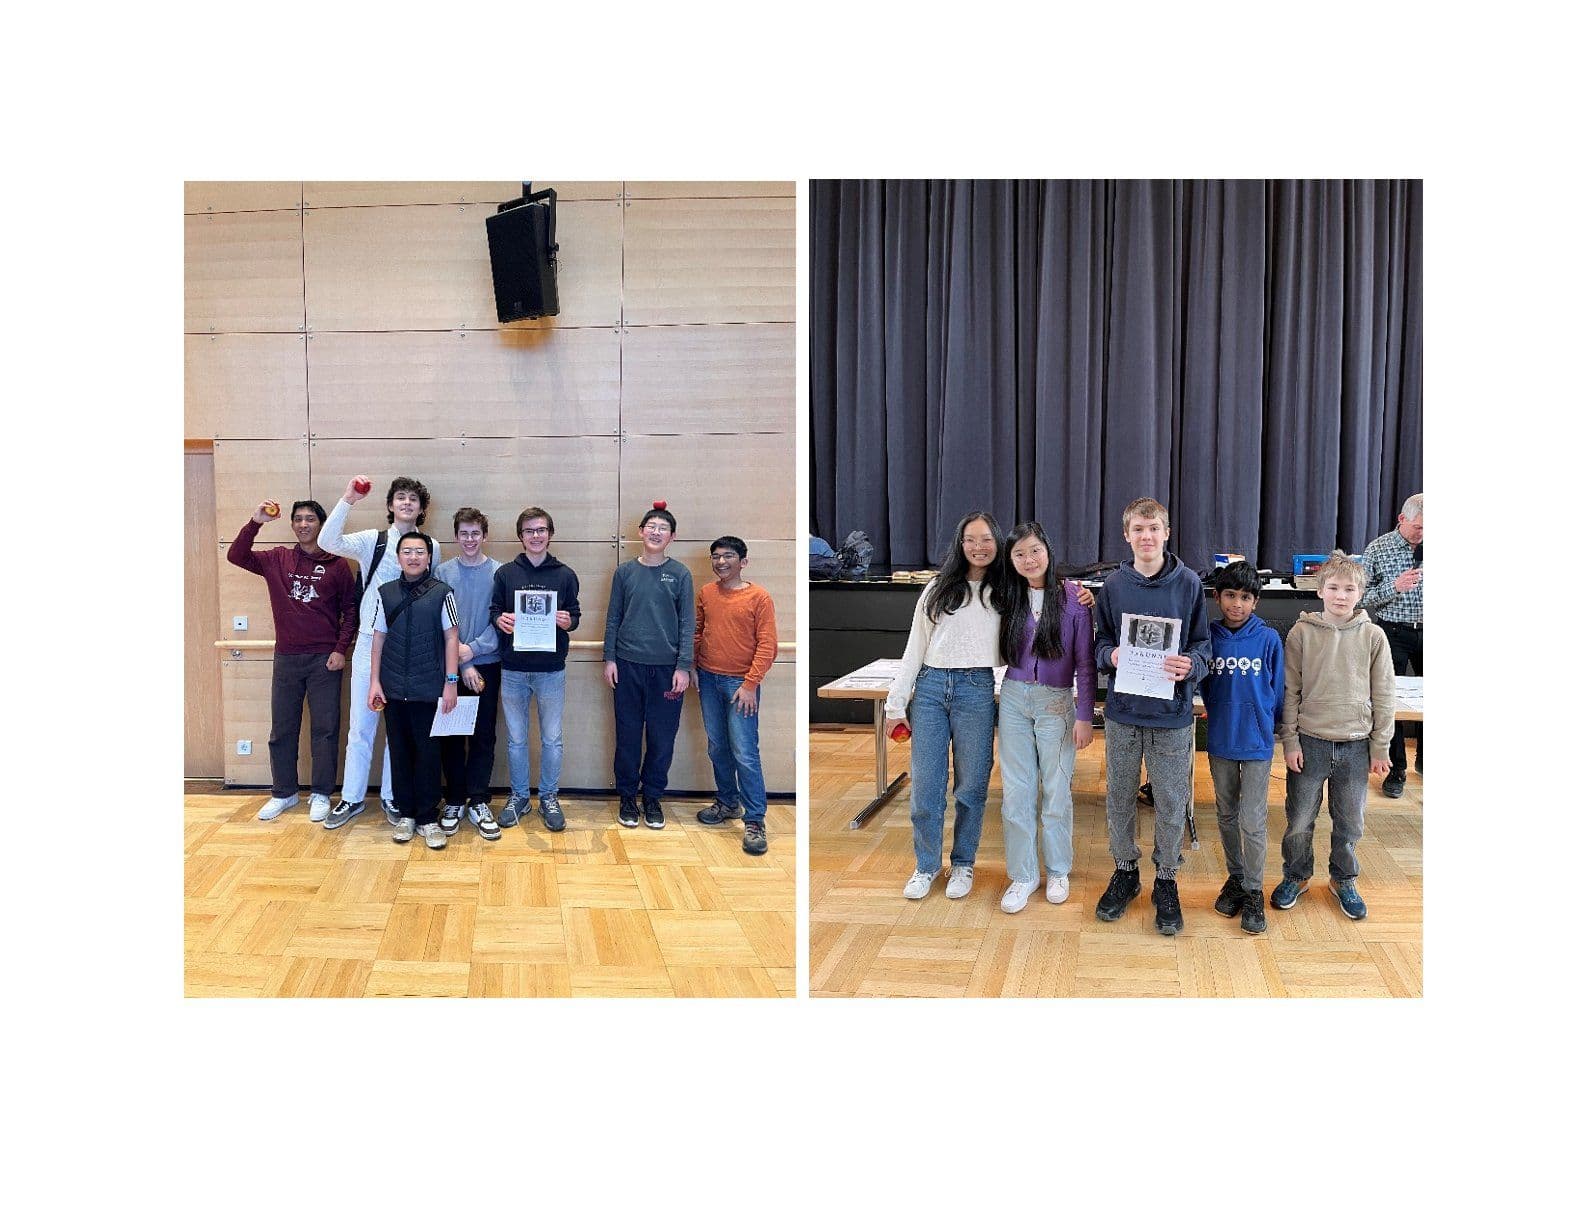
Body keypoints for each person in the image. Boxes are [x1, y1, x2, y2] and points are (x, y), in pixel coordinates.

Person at [1092, 497, 1212, 935]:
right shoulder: (1113, 586)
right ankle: (1125, 870)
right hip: (1124, 713)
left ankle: (1166, 878)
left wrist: (1191, 665)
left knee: (1170, 800)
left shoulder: (1189, 585)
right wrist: (1112, 654)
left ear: (1167, 532)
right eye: (1138, 529)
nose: (1147, 536)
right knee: (1120, 796)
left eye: (1154, 528)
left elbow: (1203, 645)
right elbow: (1100, 644)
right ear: (1127, 535)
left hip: (1172, 715)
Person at [884, 511, 1004, 901]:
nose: (979, 547)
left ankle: (964, 862)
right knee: (926, 787)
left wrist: (1081, 594)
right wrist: (895, 705)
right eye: (971, 539)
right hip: (932, 688)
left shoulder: (1007, 591)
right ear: (960, 543)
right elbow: (914, 648)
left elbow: (1046, 596)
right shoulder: (938, 587)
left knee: (971, 784)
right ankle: (926, 865)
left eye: (986, 539)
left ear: (998, 543)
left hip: (977, 689)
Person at [1273, 550, 1394, 920]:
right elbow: (1290, 691)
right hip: (1310, 742)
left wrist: (1381, 746)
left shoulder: (1373, 636)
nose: (1341, 595)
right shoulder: (1301, 633)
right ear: (1320, 590)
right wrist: (1290, 740)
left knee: (1350, 821)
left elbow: (1384, 693)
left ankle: (1343, 879)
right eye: (1334, 588)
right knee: (1299, 819)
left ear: (1360, 593)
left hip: (1357, 745)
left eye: (1349, 589)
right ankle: (1296, 874)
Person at [318, 475, 439, 829]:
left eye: (413, 499)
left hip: (410, 649)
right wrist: (349, 498)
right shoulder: (374, 539)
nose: (406, 503)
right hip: (371, 641)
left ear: (421, 507)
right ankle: (353, 798)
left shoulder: (431, 544)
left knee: (399, 731)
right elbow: (328, 540)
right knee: (361, 725)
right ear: (390, 505)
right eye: (400, 498)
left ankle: (393, 795)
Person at [226, 498, 357, 822]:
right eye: (298, 519)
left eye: (310, 519)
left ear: (322, 525)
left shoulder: (338, 565)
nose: (303, 524)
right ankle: (284, 793)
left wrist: (340, 649)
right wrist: (255, 521)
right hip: (286, 657)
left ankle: (322, 794)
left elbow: (351, 611)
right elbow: (236, 555)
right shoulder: (277, 559)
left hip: (324, 660)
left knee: (325, 730)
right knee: (282, 729)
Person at [995, 522, 1097, 913]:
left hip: (1057, 702)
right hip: (1016, 699)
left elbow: (1086, 663)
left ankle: (1057, 869)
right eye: (1019, 554)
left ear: (1048, 550)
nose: (1028, 560)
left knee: (1056, 790)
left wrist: (1084, 714)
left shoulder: (1074, 599)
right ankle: (1023, 875)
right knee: (1017, 792)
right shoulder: (1006, 596)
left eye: (1034, 550)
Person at [1200, 561, 1284, 935]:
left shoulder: (1268, 640)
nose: (1237, 604)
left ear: (1256, 602)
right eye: (1230, 595)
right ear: (1216, 597)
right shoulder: (1208, 637)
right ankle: (1236, 877)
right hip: (1220, 739)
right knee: (1226, 814)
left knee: (1253, 819)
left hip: (1257, 742)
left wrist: (1279, 729)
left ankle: (1253, 889)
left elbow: (1278, 689)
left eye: (1246, 597)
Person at [603, 502, 695, 830]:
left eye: (663, 528)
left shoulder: (681, 574)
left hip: (667, 671)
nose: (656, 532)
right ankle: (627, 795)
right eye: (651, 526)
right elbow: (613, 616)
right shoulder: (625, 572)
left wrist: (683, 666)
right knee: (627, 735)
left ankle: (653, 796)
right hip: (627, 666)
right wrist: (609, 658)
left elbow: (688, 623)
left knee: (661, 737)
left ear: (672, 537)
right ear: (641, 532)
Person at [367, 532, 460, 851]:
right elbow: (378, 638)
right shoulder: (385, 592)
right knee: (400, 752)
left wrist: (451, 682)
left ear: (429, 558)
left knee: (429, 755)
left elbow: (452, 638)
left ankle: (428, 818)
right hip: (393, 689)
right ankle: (406, 814)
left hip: (429, 689)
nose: (414, 557)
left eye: (420, 551)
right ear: (398, 558)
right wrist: (374, 682)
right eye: (407, 551)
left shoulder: (442, 593)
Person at [490, 506, 581, 833]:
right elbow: (495, 611)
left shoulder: (565, 575)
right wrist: (500, 620)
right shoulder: (505, 574)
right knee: (515, 740)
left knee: (552, 740)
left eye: (541, 530)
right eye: (529, 531)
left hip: (551, 670)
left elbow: (575, 616)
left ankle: (549, 798)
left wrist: (568, 621)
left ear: (550, 534)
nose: (535, 536)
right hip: (513, 669)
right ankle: (519, 797)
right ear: (521, 536)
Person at [693, 535, 779, 857]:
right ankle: (727, 802)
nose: (721, 562)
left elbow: (767, 644)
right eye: (716, 557)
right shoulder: (706, 593)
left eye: (728, 556)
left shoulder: (760, 597)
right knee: (717, 747)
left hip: (740, 685)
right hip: (708, 679)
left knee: (745, 752)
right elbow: (699, 632)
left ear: (743, 562)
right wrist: (694, 666)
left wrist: (750, 684)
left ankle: (755, 819)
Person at [434, 508, 502, 841]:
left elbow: (503, 621)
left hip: (487, 664)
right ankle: (455, 800)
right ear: (456, 536)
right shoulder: (443, 572)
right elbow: (440, 622)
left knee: (482, 736)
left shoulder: (500, 573)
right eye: (464, 533)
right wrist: (463, 663)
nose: (470, 539)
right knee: (450, 734)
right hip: (450, 667)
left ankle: (478, 798)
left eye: (476, 533)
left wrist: (473, 652)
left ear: (484, 535)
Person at [1360, 493, 1423, 798]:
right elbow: (1360, 596)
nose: (1424, 535)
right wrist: (1394, 587)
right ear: (1402, 519)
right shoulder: (1379, 548)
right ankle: (1396, 769)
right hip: (1392, 631)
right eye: (1419, 528)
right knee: (1392, 700)